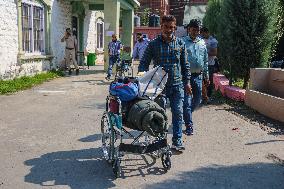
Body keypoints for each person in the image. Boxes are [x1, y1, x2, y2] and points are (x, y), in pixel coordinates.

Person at [138, 15, 191, 150]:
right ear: (161, 27)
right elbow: (144, 63)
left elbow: (185, 65)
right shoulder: (153, 44)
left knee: (178, 112)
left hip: (177, 85)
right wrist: (142, 79)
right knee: (159, 115)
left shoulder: (180, 44)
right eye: (166, 27)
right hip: (159, 87)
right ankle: (160, 140)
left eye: (172, 27)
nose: (169, 30)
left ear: (175, 28)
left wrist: (187, 82)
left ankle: (177, 141)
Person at [182, 19, 209, 136]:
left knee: (198, 100)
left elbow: (205, 61)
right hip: (186, 77)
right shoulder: (182, 42)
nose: (196, 32)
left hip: (198, 76)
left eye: (198, 30)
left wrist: (206, 76)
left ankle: (187, 114)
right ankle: (189, 125)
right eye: (194, 30)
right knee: (187, 102)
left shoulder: (202, 43)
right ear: (189, 29)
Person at [200, 27, 219, 100]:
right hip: (200, 64)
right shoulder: (200, 39)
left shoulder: (213, 41)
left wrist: (204, 53)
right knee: (201, 80)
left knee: (208, 80)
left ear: (207, 32)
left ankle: (209, 95)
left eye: (204, 33)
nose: (202, 35)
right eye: (201, 33)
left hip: (210, 64)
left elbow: (214, 53)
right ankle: (202, 96)